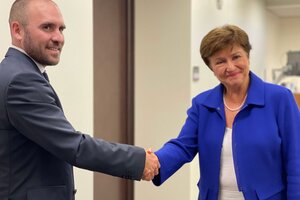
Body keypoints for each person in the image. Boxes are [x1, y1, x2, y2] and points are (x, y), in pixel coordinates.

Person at [0, 0, 160, 199]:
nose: (58, 37)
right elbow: (75, 147)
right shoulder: (21, 80)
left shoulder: (15, 72)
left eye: (61, 29)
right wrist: (138, 161)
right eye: (47, 27)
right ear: (17, 30)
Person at [152, 24, 300, 200]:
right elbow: (183, 146)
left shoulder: (279, 98)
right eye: (220, 61)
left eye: (236, 57)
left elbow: (295, 158)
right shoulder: (203, 104)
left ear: (248, 57)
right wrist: (154, 162)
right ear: (212, 68)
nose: (230, 67)